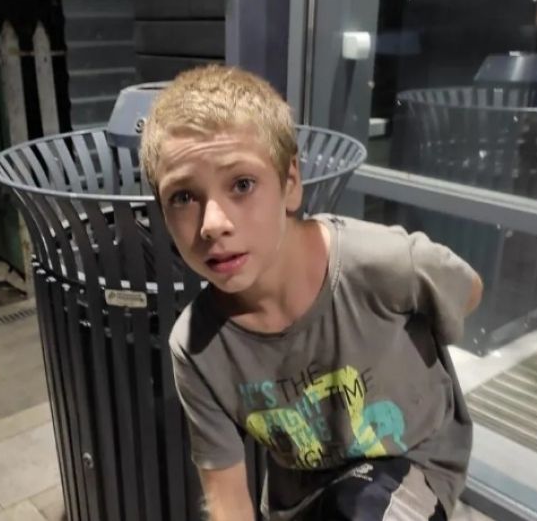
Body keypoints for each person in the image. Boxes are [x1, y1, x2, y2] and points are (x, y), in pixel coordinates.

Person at [139, 65, 484, 521]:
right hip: (299, 498)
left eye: (242, 185)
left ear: (290, 183)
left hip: (410, 470)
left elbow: (468, 290)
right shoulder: (196, 348)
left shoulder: (384, 263)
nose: (213, 224)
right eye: (183, 197)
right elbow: (226, 497)